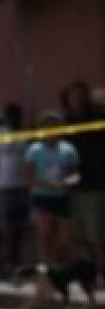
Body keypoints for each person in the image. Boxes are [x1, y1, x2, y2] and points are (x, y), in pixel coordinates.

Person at [25, 112, 80, 267]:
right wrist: (47, 184)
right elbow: (27, 178)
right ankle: (44, 268)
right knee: (44, 233)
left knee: (65, 236)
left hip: (61, 197)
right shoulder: (34, 150)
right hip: (41, 196)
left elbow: (74, 173)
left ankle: (53, 262)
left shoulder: (68, 149)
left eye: (55, 127)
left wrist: (68, 182)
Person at [0, 103, 29, 274]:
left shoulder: (26, 135)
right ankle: (3, 260)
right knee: (4, 226)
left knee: (19, 226)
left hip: (22, 186)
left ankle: (15, 258)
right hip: (3, 187)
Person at [64, 81, 105, 269]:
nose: (76, 100)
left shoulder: (96, 119)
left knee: (95, 234)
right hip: (70, 186)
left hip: (93, 185)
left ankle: (101, 271)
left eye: (80, 96)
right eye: (73, 97)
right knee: (75, 235)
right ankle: (86, 273)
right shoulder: (66, 121)